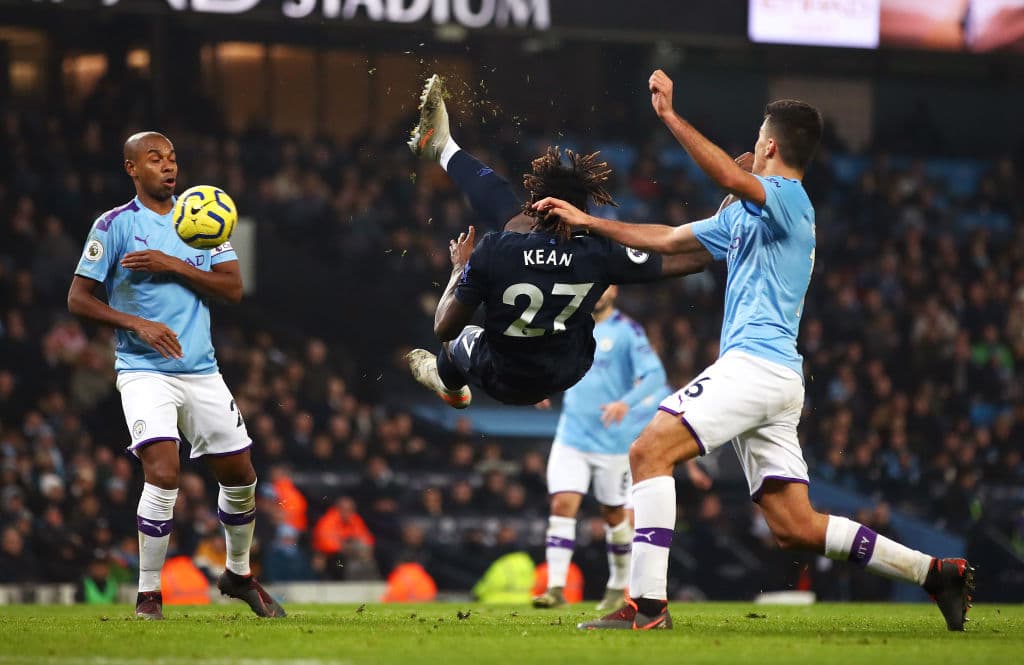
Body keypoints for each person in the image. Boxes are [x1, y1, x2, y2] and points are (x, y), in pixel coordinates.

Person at [534, 70, 974, 631]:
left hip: (756, 366)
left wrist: (670, 116)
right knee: (795, 526)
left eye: (756, 136)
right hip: (775, 376)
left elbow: (727, 175)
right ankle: (937, 572)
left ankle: (646, 607)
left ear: (769, 145)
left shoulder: (791, 199)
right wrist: (590, 222)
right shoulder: (746, 214)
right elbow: (670, 239)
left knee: (647, 451)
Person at [67, 131, 285, 620]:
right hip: (144, 371)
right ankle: (148, 596)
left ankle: (238, 574)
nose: (168, 166)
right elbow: (78, 299)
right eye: (154, 158)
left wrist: (174, 265)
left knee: (242, 478)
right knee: (164, 475)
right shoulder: (114, 225)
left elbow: (232, 288)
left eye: (171, 158)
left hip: (202, 370)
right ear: (132, 169)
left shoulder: (203, 216)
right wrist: (136, 323)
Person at [405, 75, 709, 408]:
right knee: (515, 224)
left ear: (539, 207)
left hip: (505, 378)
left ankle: (450, 387)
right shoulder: (598, 252)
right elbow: (688, 258)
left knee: (456, 341)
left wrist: (459, 270)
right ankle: (442, 147)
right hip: (567, 371)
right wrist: (732, 227)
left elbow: (444, 329)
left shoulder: (494, 250)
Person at [531, 285, 711, 612]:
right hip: (572, 437)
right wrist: (541, 385)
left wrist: (625, 404)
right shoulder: (572, 325)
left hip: (612, 446)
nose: (596, 293)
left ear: (613, 291)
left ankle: (617, 586)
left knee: (614, 515)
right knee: (562, 504)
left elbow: (655, 375)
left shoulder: (628, 332)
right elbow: (552, 362)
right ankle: (555, 588)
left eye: (603, 287)